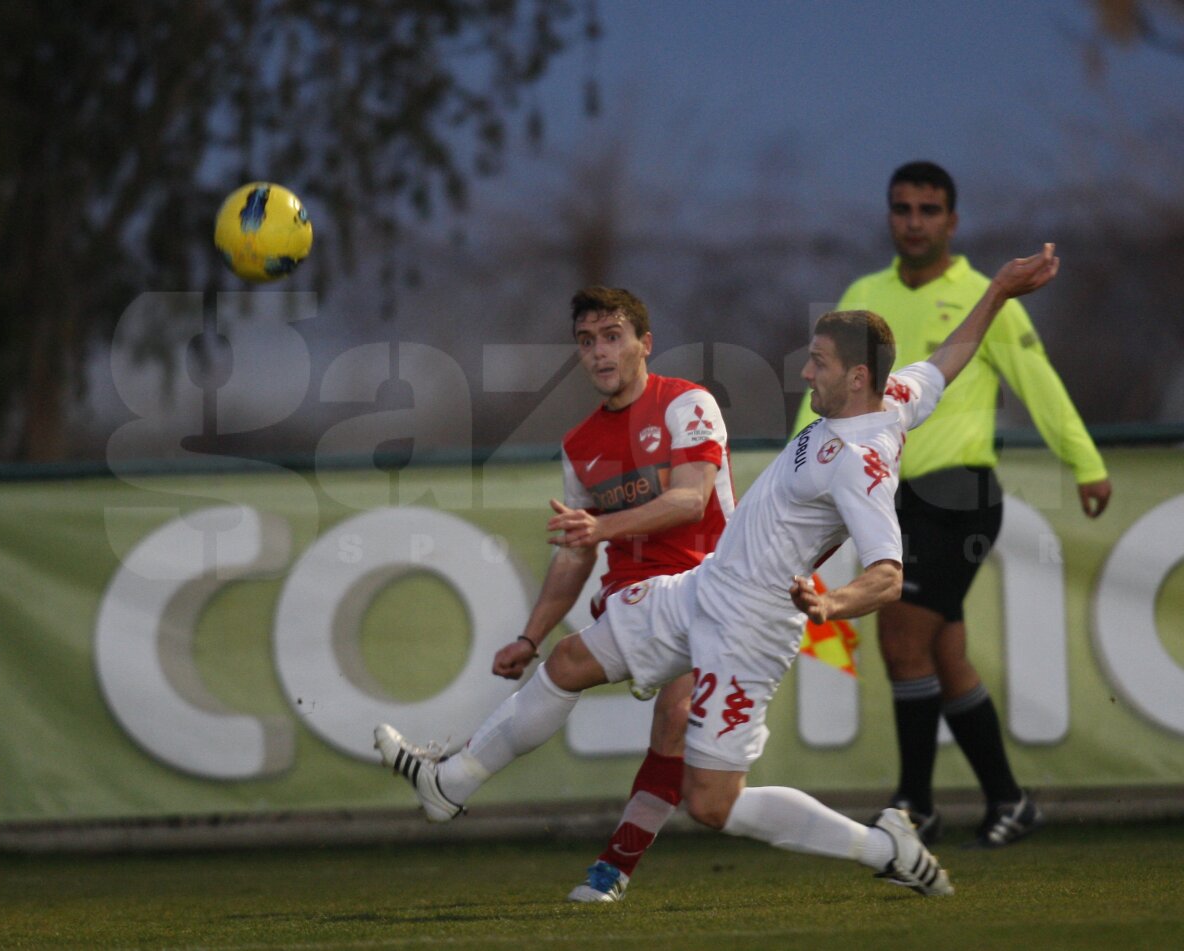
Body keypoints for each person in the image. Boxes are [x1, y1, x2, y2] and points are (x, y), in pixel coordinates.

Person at [375, 243, 1061, 901]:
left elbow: (886, 573)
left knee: (712, 803)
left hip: (752, 627)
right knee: (570, 660)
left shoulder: (863, 461)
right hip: (703, 588)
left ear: (854, 377)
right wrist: (997, 290)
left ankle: (887, 850)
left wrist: (833, 605)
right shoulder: (893, 394)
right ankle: (450, 783)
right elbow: (949, 357)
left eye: (817, 363)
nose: (805, 373)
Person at [790, 162, 1111, 848]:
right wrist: (796, 475)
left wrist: (1085, 463)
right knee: (946, 654)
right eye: (903, 208)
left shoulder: (982, 299)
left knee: (901, 634)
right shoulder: (863, 296)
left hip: (960, 494)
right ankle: (1009, 799)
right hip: (893, 498)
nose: (915, 220)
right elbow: (821, 392)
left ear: (951, 221)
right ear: (889, 216)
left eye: (929, 209)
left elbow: (1041, 384)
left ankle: (916, 805)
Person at [489, 286, 736, 903]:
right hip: (642, 601)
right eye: (586, 341)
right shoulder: (578, 447)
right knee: (691, 767)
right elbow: (575, 552)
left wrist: (600, 527)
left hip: (720, 590)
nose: (600, 353)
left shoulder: (687, 403)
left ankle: (611, 868)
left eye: (613, 336)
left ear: (644, 344)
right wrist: (529, 635)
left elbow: (692, 500)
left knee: (680, 736)